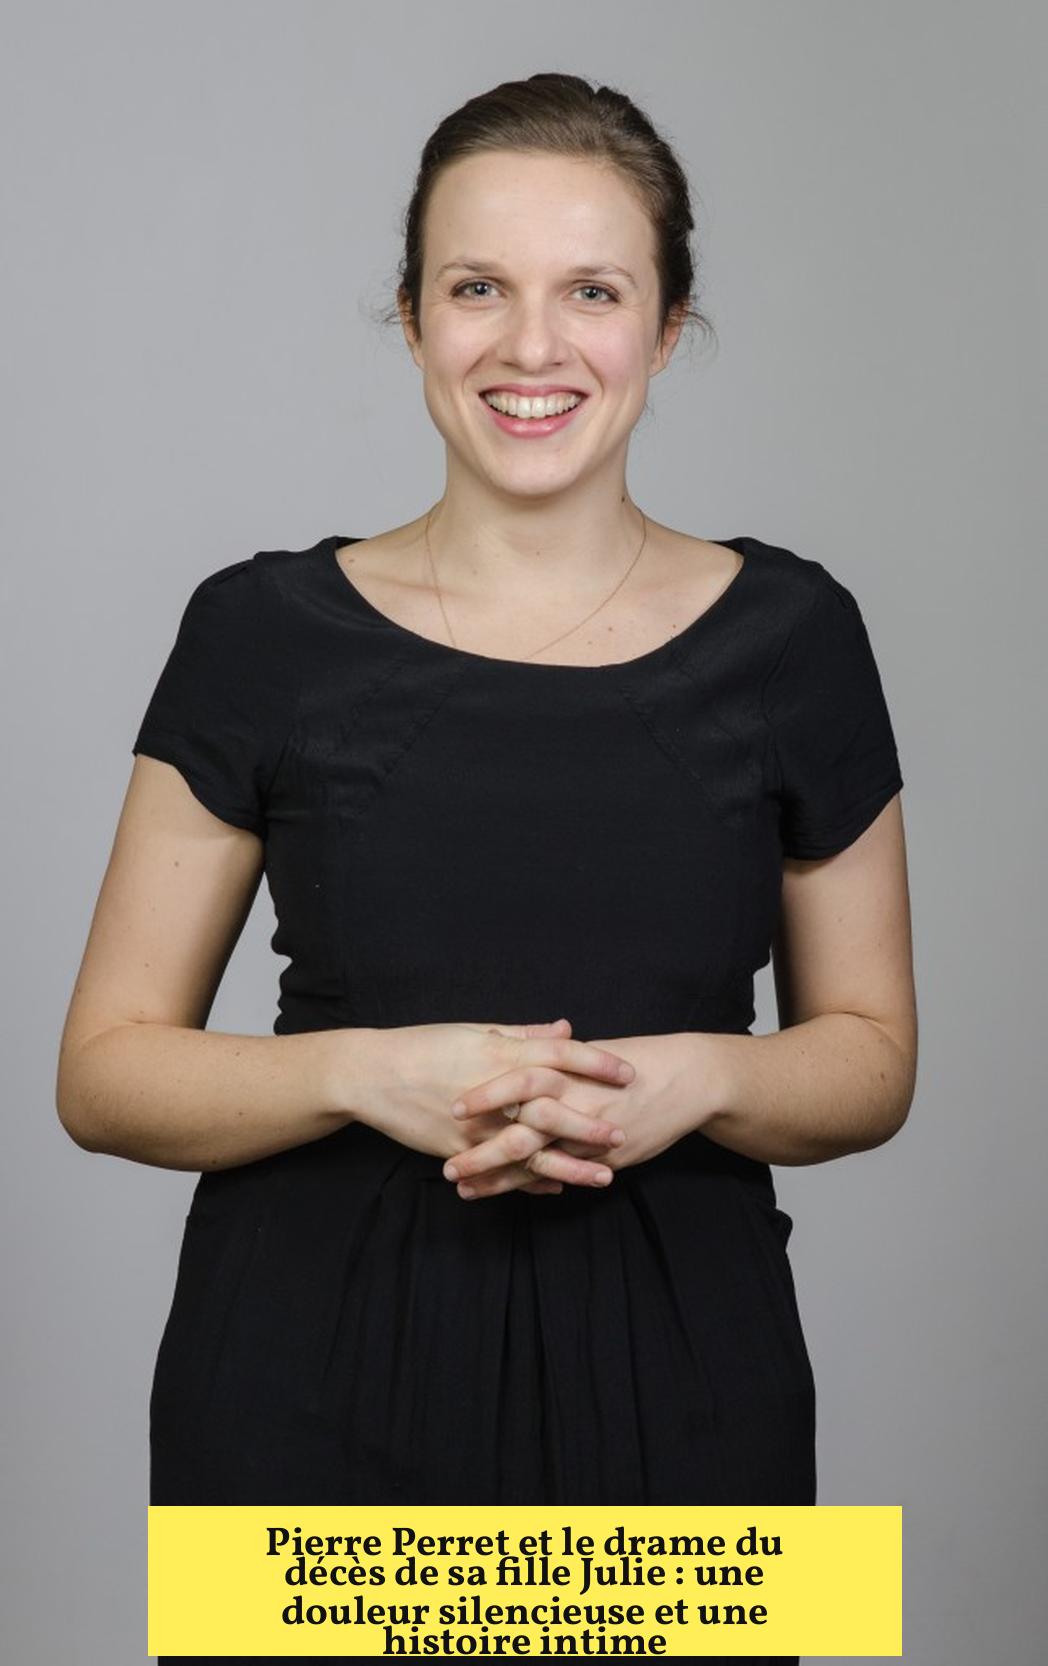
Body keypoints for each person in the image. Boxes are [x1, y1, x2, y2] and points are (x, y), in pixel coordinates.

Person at [56, 71, 916, 1666]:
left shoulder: (801, 639)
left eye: (593, 290)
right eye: (477, 288)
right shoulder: (255, 633)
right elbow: (101, 1074)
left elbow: (873, 1061)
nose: (532, 346)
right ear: (411, 319)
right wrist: (364, 1072)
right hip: (300, 1402)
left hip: (687, 1401)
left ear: (667, 327)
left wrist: (694, 1080)